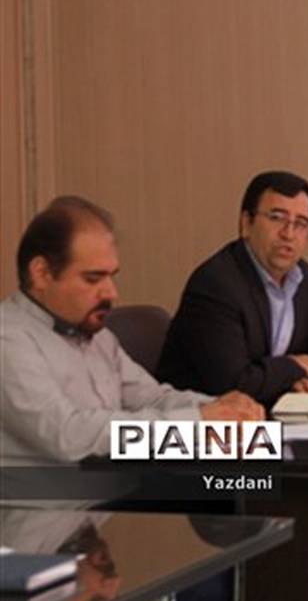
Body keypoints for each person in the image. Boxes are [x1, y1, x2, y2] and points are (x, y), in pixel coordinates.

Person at [0, 196, 263, 470]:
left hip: (125, 483)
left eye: (111, 276)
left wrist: (224, 409)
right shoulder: (9, 339)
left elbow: (152, 399)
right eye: (93, 279)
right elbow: (68, 436)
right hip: (54, 494)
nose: (111, 293)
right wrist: (198, 422)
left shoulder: (96, 334)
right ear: (41, 273)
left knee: (264, 479)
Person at [158, 171, 308, 407]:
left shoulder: (305, 279)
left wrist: (305, 378)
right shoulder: (216, 284)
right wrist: (294, 368)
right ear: (246, 223)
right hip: (203, 421)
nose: (288, 234)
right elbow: (233, 383)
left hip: (270, 414)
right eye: (277, 218)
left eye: (301, 224)